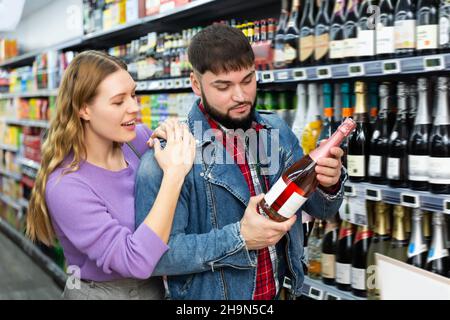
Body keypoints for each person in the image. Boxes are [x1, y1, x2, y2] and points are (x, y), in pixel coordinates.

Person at [135, 24, 346, 300]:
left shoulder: (276, 132)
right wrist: (240, 238)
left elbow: (321, 208)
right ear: (196, 84)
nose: (241, 96)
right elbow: (157, 258)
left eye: (247, 80)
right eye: (223, 86)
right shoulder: (167, 156)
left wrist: (328, 183)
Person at [26, 50, 196, 300]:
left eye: (133, 95)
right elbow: (134, 261)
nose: (134, 108)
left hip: (154, 289)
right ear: (84, 109)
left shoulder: (136, 139)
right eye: (118, 102)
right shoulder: (66, 186)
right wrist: (173, 175)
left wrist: (178, 140)